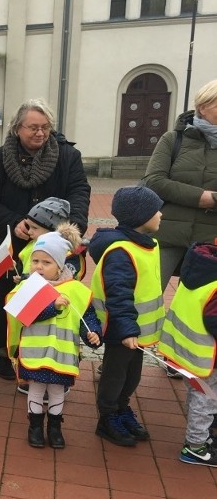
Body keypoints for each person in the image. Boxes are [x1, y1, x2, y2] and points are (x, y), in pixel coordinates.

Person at [0, 98, 90, 381]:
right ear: (17, 129)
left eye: (45, 128)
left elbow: (79, 193)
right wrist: (14, 222)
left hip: (56, 245)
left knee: (55, 297)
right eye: (33, 128)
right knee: (8, 298)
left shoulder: (67, 157)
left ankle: (48, 354)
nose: (40, 133)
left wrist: (68, 228)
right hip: (10, 245)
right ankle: (3, 350)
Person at [7, 227, 102, 448]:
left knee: (58, 391)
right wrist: (53, 306)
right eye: (35, 261)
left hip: (63, 354)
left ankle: (55, 427)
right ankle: (35, 427)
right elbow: (23, 315)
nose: (38, 266)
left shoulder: (76, 290)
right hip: (35, 352)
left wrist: (93, 335)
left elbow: (86, 317)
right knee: (37, 389)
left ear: (60, 266)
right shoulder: (27, 287)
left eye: (46, 263)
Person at [90, 186, 164, 447]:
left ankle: (122, 409)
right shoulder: (122, 252)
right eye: (156, 210)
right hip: (123, 331)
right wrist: (127, 330)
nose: (161, 214)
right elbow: (119, 295)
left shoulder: (147, 244)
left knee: (132, 376)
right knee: (115, 374)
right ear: (140, 217)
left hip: (137, 331)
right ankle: (108, 418)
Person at [142, 79, 217, 291]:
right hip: (166, 234)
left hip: (210, 243)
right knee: (148, 299)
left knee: (197, 311)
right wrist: (202, 198)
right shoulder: (173, 139)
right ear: (203, 107)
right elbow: (154, 180)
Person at [156, 242, 217, 466]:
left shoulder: (202, 268)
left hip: (188, 350)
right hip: (207, 357)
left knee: (197, 394)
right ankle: (196, 446)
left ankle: (199, 437)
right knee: (207, 400)